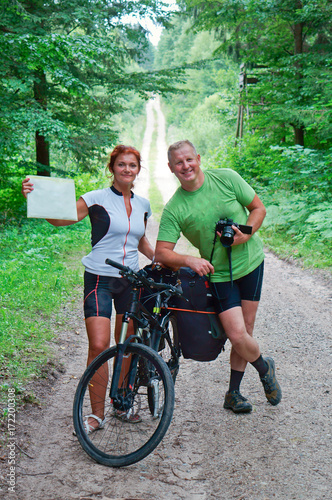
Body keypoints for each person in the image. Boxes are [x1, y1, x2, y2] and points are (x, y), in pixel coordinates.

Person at [22, 145, 155, 430]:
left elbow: (140, 241)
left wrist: (162, 259)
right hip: (99, 279)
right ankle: (97, 414)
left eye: (132, 165)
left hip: (130, 282)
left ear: (138, 170)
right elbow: (61, 219)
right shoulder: (95, 199)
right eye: (121, 165)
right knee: (98, 345)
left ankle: (120, 404)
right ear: (112, 168)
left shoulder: (143, 204)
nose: (127, 170)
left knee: (127, 347)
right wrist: (36, 198)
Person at [155, 140, 282, 414]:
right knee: (237, 334)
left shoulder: (227, 178)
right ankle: (264, 366)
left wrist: (246, 234)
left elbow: (258, 209)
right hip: (219, 274)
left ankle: (233, 394)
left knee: (246, 330)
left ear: (198, 158)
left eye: (189, 159)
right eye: (179, 163)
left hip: (250, 263)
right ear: (171, 168)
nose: (186, 166)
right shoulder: (175, 207)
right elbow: (162, 253)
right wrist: (189, 259)